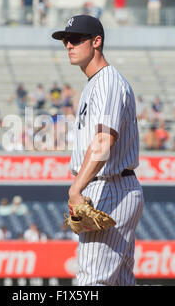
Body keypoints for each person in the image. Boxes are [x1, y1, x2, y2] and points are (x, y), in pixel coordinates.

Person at [52, 15, 144, 286]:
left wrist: (75, 189)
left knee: (91, 283)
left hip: (108, 187)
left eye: (76, 39)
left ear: (97, 41)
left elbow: (104, 141)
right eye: (66, 40)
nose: (69, 45)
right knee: (119, 281)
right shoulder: (95, 83)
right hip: (114, 186)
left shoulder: (107, 81)